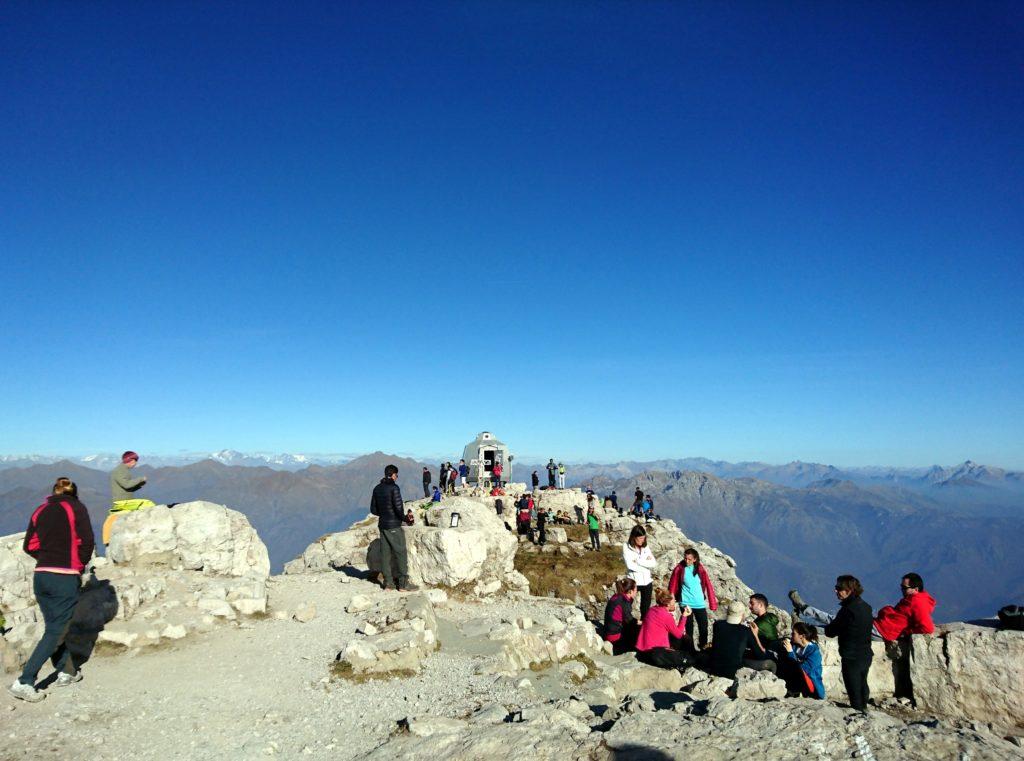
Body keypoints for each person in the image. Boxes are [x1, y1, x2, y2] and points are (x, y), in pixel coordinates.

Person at [9, 478, 95, 702]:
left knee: (55, 627)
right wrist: (77, 566)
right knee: (56, 630)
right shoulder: (76, 507)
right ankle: (25, 681)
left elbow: (29, 545)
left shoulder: (41, 509)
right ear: (74, 493)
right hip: (63, 577)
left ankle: (67, 670)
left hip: (41, 576)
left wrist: (46, 559)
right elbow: (87, 541)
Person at [823, 575, 874, 712]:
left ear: (850, 590)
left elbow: (830, 631)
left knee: (854, 691)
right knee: (863, 686)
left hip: (851, 657)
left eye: (839, 588)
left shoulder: (848, 610)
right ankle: (864, 710)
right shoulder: (866, 607)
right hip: (866, 654)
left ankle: (859, 717)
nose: (836, 591)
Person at [370, 464, 412, 591]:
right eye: (397, 475)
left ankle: (388, 584)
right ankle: (403, 584)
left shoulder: (377, 488)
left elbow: (373, 509)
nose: (397, 477)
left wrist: (384, 514)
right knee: (400, 553)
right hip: (394, 525)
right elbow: (399, 509)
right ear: (393, 475)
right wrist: (405, 518)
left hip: (382, 525)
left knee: (385, 554)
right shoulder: (394, 488)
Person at [667, 548, 718, 650]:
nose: (687, 561)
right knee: (689, 628)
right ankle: (690, 650)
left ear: (695, 559)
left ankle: (703, 646)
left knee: (703, 627)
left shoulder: (700, 569)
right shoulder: (680, 568)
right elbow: (672, 585)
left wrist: (713, 603)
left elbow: (708, 584)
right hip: (686, 603)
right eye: (685, 558)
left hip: (699, 603)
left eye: (689, 559)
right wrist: (670, 602)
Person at [703, 601, 766, 679]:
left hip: (714, 669)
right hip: (732, 674)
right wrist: (755, 635)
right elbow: (760, 655)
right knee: (771, 664)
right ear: (742, 616)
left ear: (727, 612)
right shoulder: (746, 631)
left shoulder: (717, 625)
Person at [105, 451, 155, 545]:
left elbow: (126, 488)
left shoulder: (122, 470)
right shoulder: (120, 471)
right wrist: (140, 479)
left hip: (125, 501)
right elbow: (126, 485)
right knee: (147, 505)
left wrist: (139, 485)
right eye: (135, 461)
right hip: (122, 503)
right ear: (131, 460)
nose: (136, 464)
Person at [636, 588, 693, 670]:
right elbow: (679, 635)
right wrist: (684, 616)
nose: (675, 601)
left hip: (643, 649)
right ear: (668, 604)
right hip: (655, 652)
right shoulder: (666, 616)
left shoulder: (651, 610)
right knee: (686, 639)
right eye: (674, 600)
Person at [872, 573, 936, 641]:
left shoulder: (918, 602)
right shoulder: (912, 599)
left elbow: (927, 628)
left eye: (905, 588)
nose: (902, 590)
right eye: (901, 587)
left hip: (882, 631)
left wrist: (906, 632)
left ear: (916, 589)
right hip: (880, 627)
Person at [781, 622, 826, 699]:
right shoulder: (795, 646)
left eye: (793, 633)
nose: (791, 635)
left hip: (811, 685)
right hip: (797, 681)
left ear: (802, 636)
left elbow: (804, 669)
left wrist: (790, 652)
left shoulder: (814, 652)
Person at [623, 525, 657, 619]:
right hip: (634, 581)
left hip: (647, 582)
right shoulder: (626, 547)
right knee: (627, 605)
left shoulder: (645, 547)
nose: (642, 540)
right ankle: (627, 626)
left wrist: (638, 561)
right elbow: (630, 565)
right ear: (634, 537)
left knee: (645, 609)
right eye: (640, 538)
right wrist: (646, 564)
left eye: (644, 538)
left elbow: (653, 563)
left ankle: (643, 629)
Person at [743, 593, 781, 671]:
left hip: (766, 656)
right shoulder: (768, 617)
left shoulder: (761, 623)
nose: (749, 606)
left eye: (752, 603)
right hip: (771, 654)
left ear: (760, 605)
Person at [603, 579, 640, 655]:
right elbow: (629, 621)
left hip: (609, 631)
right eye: (635, 589)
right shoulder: (624, 602)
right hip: (615, 636)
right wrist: (642, 622)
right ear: (630, 591)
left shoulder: (617, 596)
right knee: (639, 629)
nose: (637, 591)